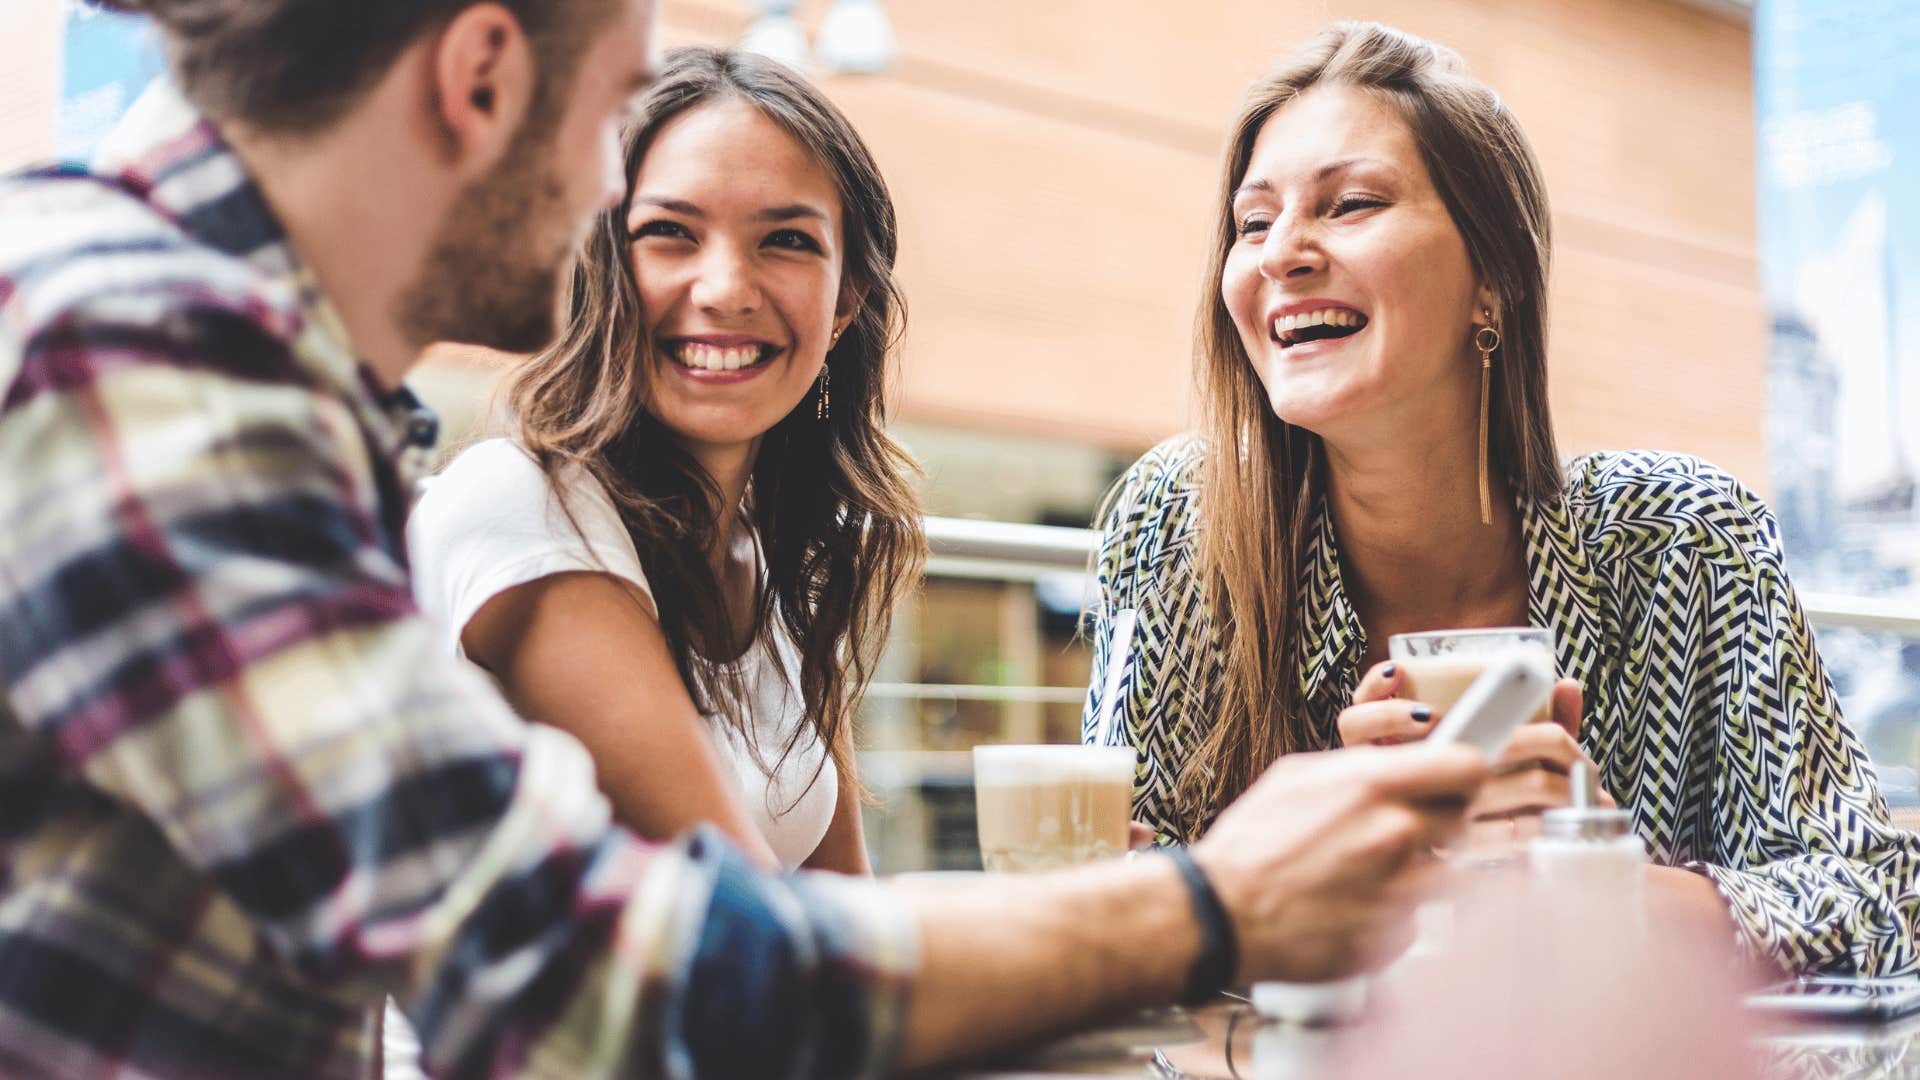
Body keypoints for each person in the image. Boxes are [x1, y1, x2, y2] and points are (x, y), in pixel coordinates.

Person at [0, 3, 1491, 1077]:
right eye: (618, 133)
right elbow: (601, 986)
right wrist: (1214, 907)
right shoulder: (132, 361)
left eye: (786, 239)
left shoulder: (242, 372)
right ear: (479, 75)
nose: (607, 201)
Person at [1083, 20, 1920, 978]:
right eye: (1253, 222)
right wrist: (1316, 862)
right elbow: (1115, 889)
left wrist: (1600, 883)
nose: (1282, 253)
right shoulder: (1175, 523)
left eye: (1350, 203)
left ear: (1496, 276)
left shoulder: (1685, 538)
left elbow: (1884, 899)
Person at [407, 47, 919, 877]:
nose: (725, 288)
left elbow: (842, 910)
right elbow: (762, 936)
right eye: (669, 233)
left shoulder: (780, 559)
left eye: (785, 240)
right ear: (600, 261)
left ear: (846, 303)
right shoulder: (526, 511)